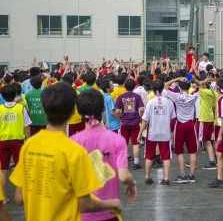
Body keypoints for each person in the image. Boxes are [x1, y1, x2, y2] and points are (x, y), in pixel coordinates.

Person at [9, 83, 121, 221]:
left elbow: (19, 198)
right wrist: (112, 204)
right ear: (74, 111)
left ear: (44, 108)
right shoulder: (75, 151)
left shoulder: (28, 146)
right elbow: (85, 203)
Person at [71, 89, 137, 220]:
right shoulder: (117, 140)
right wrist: (132, 184)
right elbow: (124, 176)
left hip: (80, 214)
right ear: (102, 110)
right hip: (110, 212)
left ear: (78, 112)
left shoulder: (72, 142)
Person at [138, 80, 175, 186]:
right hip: (165, 133)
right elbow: (172, 118)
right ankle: (166, 178)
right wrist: (171, 131)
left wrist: (140, 132)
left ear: (153, 90)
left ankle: (147, 177)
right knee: (166, 157)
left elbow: (145, 120)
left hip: (152, 134)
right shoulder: (169, 102)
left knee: (149, 156)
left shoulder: (150, 102)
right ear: (162, 89)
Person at [165, 77, 199, 183]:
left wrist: (177, 78)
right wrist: (194, 79)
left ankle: (182, 175)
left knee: (179, 152)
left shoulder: (176, 96)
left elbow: (165, 85)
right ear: (189, 87)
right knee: (192, 151)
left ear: (179, 87)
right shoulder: (193, 96)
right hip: (190, 124)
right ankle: (192, 175)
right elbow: (200, 86)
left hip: (179, 124)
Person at [0, 84, 31, 202]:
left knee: (3, 170)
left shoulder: (0, 109)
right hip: (18, 141)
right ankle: (21, 196)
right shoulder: (21, 108)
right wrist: (28, 140)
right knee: (20, 168)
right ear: (15, 95)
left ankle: (4, 198)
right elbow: (27, 127)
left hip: (2, 141)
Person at [115, 79, 145, 170]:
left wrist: (120, 117)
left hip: (124, 122)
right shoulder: (137, 96)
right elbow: (142, 109)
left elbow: (117, 111)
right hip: (135, 122)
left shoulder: (121, 97)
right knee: (135, 143)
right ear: (134, 86)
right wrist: (140, 116)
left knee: (124, 143)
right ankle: (136, 163)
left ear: (125, 86)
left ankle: (123, 162)